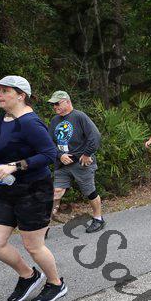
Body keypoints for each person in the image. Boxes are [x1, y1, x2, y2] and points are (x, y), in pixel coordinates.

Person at [0, 75, 67, 301]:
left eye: (5, 91)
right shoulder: (4, 118)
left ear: (21, 96)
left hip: (34, 191)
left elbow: (49, 154)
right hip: (6, 191)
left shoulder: (30, 122)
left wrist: (14, 166)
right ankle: (28, 275)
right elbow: (1, 153)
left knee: (33, 246)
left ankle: (56, 284)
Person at [48, 91, 105, 233]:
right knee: (56, 192)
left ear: (67, 101)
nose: (55, 107)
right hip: (62, 164)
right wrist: (60, 155)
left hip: (81, 162)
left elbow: (95, 136)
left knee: (89, 192)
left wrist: (87, 154)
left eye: (57, 103)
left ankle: (98, 219)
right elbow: (50, 143)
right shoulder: (54, 121)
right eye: (53, 104)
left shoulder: (79, 116)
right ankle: (44, 226)